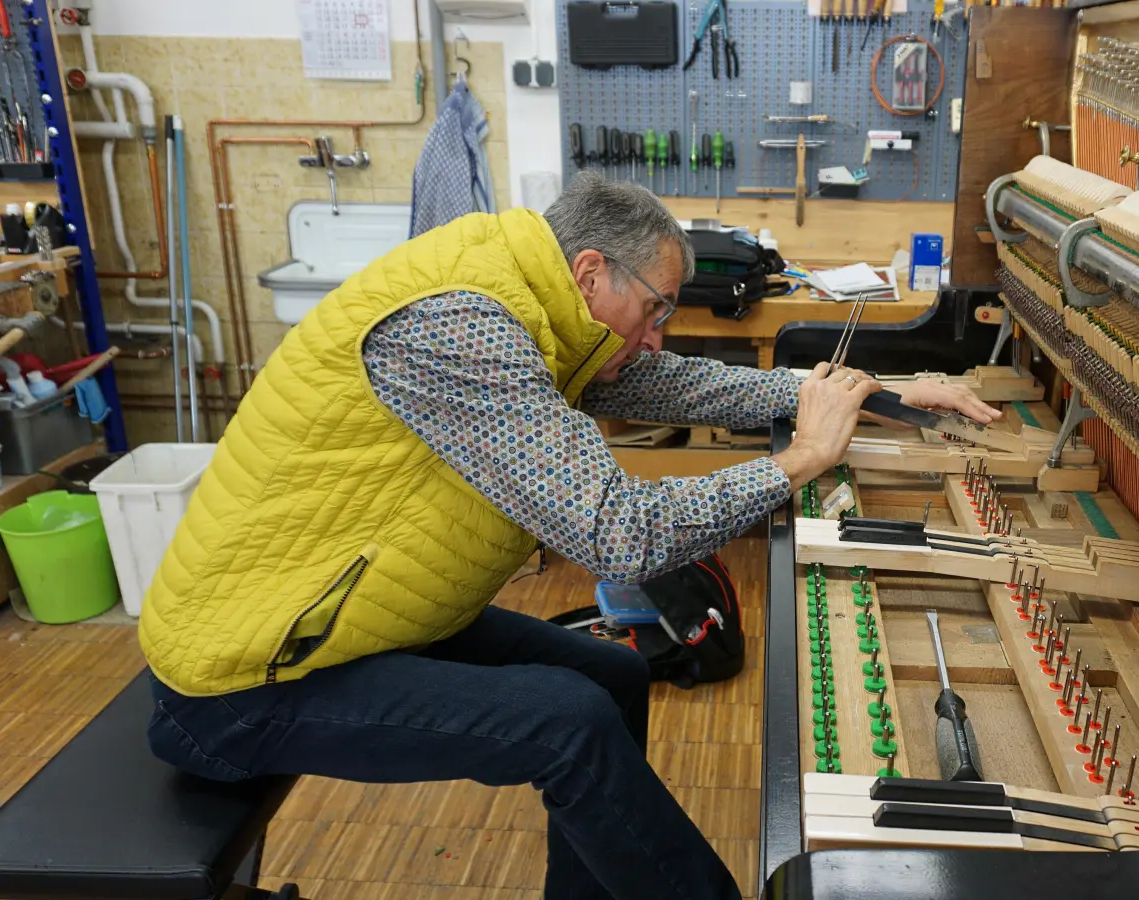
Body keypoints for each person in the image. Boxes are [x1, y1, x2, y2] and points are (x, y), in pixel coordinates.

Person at [137, 172, 999, 900]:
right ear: (591, 273)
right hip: (242, 679)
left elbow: (674, 385)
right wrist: (799, 461)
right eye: (655, 310)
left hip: (346, 622)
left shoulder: (529, 297)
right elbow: (620, 535)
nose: (656, 337)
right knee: (567, 724)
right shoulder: (461, 325)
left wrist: (870, 391)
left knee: (613, 676)